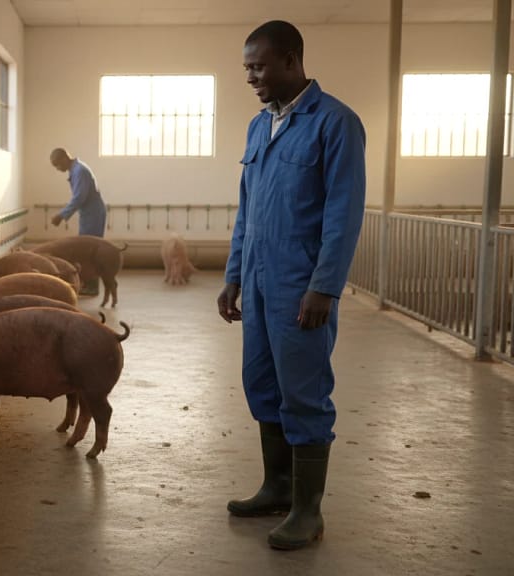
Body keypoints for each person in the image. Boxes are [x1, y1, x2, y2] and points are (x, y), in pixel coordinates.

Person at [217, 20, 365, 551]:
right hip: (256, 283)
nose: (250, 77)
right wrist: (233, 275)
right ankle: (277, 487)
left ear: (291, 60)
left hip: (301, 287)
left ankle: (308, 511)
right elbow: (247, 211)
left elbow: (343, 214)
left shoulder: (335, 123)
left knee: (303, 393)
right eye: (247, 68)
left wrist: (324, 287)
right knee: (261, 384)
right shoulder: (260, 127)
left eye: (258, 66)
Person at [49, 148, 107, 295]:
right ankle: (89, 284)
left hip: (93, 214)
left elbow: (79, 198)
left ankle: (92, 286)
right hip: (89, 214)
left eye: (57, 165)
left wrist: (61, 215)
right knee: (86, 250)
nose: (57, 169)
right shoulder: (75, 170)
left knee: (89, 251)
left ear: (64, 158)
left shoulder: (79, 171)